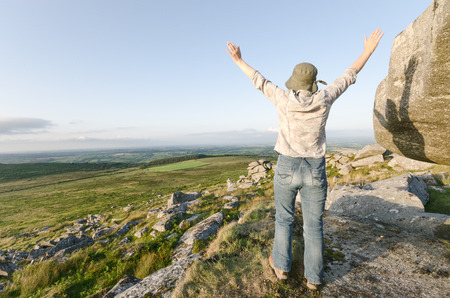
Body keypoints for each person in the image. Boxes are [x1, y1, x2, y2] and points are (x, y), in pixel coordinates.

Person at [226, 28, 383, 291]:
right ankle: (314, 278)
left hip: (287, 165)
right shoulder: (324, 98)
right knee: (313, 226)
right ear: (313, 83)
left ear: (294, 82)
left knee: (284, 219)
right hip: (314, 168)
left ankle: (282, 267)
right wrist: (367, 51)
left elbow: (259, 80)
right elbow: (348, 76)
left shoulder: (283, 99)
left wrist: (238, 60)